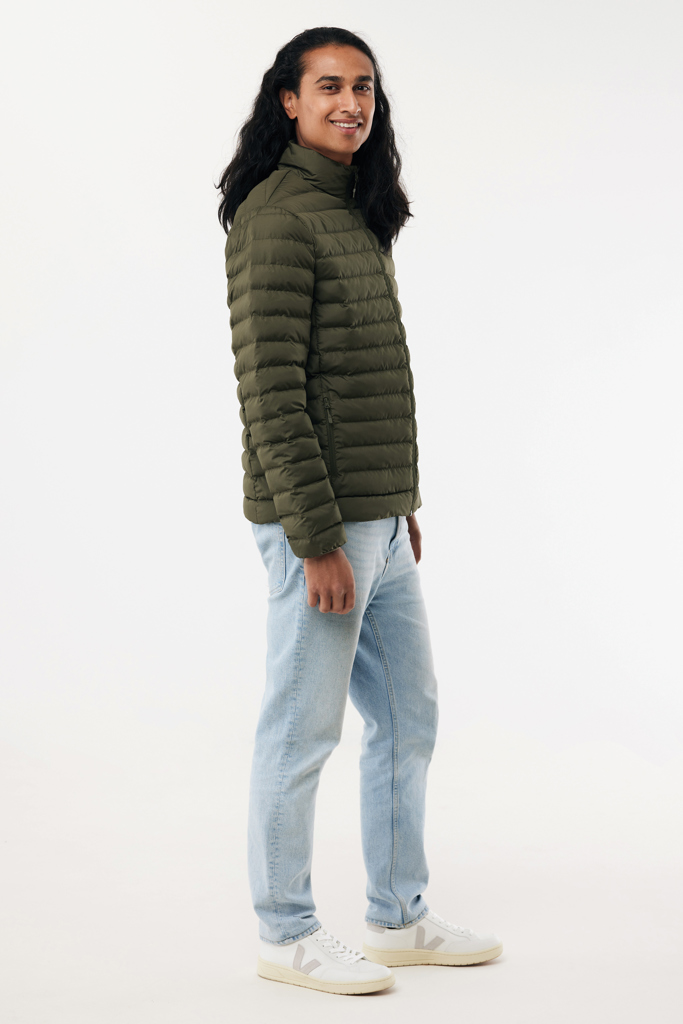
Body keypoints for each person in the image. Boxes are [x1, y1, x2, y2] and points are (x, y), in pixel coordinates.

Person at [217, 26, 502, 996]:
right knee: (300, 732)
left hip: (377, 520)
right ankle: (284, 932)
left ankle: (397, 914)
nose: (351, 103)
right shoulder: (275, 217)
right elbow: (271, 393)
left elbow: (365, 379)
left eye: (364, 88)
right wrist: (316, 538)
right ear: (288, 101)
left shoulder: (353, 209)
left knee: (407, 715)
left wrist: (396, 503)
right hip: (321, 527)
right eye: (330, 86)